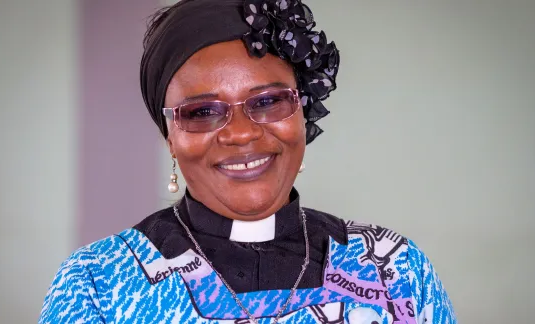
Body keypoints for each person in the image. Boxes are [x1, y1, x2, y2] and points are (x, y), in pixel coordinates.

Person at [39, 0, 456, 323]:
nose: (241, 133)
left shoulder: (394, 267)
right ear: (170, 137)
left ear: (301, 115)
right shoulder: (98, 281)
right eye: (202, 112)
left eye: (269, 101)